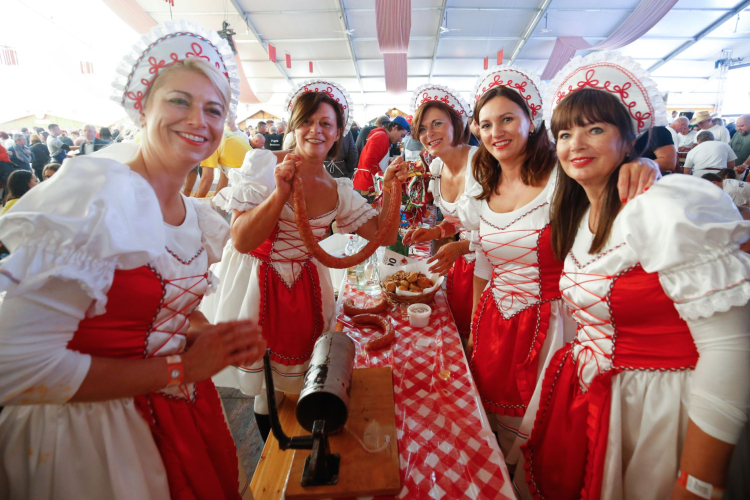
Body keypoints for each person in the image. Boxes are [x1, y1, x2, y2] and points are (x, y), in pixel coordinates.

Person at [0, 22, 266, 500]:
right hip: (90, 436)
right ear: (142, 108)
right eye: (179, 101)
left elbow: (155, 308)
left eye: (214, 109)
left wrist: (202, 330)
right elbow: (15, 366)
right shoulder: (98, 198)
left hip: (176, 413)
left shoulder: (193, 214)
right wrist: (181, 369)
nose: (199, 120)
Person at [523, 52, 750, 500]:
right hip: (600, 402)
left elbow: (731, 346)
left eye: (595, 129)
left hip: (663, 413)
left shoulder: (663, 204)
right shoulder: (580, 213)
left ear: (629, 140)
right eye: (565, 132)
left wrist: (701, 481)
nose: (575, 144)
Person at [464, 64, 660, 488]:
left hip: (555, 326)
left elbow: (604, 177)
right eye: (485, 124)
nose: (497, 131)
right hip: (496, 322)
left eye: (508, 119)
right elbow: (484, 262)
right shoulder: (483, 185)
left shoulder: (562, 176)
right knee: (497, 433)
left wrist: (642, 163)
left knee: (544, 438)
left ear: (532, 121)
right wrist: (475, 329)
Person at [202, 79, 407, 441]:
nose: (315, 130)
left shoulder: (336, 188)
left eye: (326, 123)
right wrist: (280, 192)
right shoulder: (262, 165)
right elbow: (243, 238)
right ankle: (272, 451)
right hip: (257, 282)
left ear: (338, 133)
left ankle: (300, 453)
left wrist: (391, 187)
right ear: (294, 125)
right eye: (307, 121)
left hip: (309, 286)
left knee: (305, 378)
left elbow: (384, 236)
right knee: (268, 387)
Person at [402, 84, 477, 341]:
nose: (428, 134)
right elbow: (459, 220)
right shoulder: (436, 166)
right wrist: (434, 231)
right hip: (462, 270)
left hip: (493, 270)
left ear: (458, 124)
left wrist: (461, 247)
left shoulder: (482, 164)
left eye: (437, 124)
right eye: (422, 128)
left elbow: (504, 228)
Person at [352, 115, 409, 196]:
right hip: (368, 186)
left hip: (368, 185)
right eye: (402, 135)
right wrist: (385, 178)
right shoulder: (381, 136)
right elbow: (369, 162)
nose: (400, 140)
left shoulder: (382, 136)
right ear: (395, 128)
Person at [195, 130, 252, 197]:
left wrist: (196, 201)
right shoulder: (223, 137)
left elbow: (207, 178)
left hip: (249, 181)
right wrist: (217, 198)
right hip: (256, 176)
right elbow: (224, 178)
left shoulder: (209, 144)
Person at [730, 114, 750, 179]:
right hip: (734, 168)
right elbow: (729, 145)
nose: (738, 128)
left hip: (745, 170)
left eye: (742, 126)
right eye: (737, 126)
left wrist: (745, 165)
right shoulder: (737, 133)